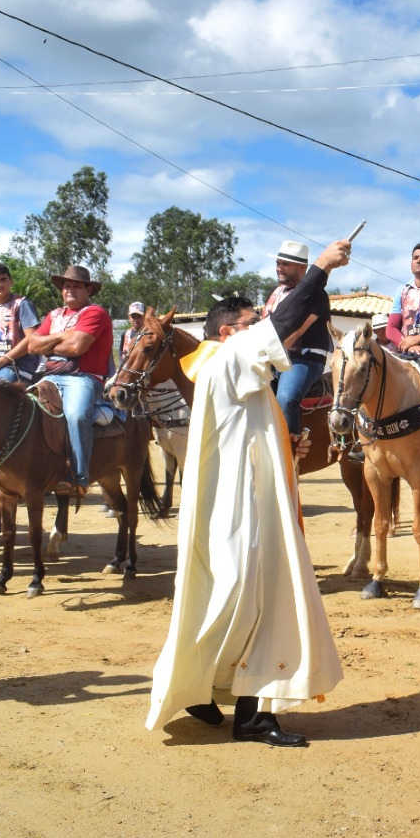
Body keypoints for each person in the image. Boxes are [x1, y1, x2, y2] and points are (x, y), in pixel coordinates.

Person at [146, 239, 353, 747]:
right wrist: (321, 267)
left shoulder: (228, 367)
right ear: (227, 332)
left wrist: (287, 444)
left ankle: (200, 686)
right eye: (250, 322)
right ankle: (249, 714)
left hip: (239, 504)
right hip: (244, 511)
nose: (260, 328)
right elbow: (286, 322)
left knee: (233, 598)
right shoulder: (228, 356)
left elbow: (248, 432)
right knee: (257, 599)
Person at [27, 265, 114, 495]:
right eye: (66, 286)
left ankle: (79, 477)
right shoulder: (54, 315)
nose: (70, 290)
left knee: (76, 415)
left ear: (88, 290)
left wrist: (48, 343)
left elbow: (77, 347)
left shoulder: (95, 313)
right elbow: (32, 345)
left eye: (77, 286)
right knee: (21, 407)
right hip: (50, 376)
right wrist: (62, 337)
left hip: (84, 377)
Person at [262, 240, 332, 439]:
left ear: (302, 268)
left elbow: (297, 331)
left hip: (303, 359)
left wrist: (269, 352)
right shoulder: (275, 292)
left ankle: (290, 447)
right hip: (272, 356)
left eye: (285, 264)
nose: (279, 268)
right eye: (278, 263)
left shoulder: (317, 295)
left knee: (286, 398)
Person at [0, 263, 41, 382]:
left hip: (19, 366)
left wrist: (3, 360)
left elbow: (32, 337)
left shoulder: (22, 304)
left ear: (11, 282)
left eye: (3, 280)